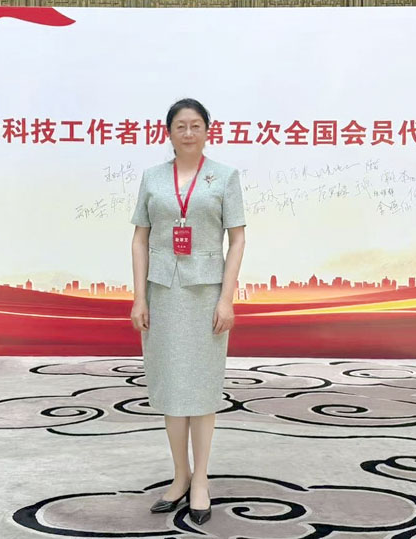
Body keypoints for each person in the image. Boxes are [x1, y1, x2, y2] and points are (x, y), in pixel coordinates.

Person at [129, 98, 246, 525]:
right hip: (162, 293)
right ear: (169, 132)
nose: (189, 132)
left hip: (206, 294)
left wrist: (226, 298)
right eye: (181, 126)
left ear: (207, 130)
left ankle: (201, 480)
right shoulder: (153, 178)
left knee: (201, 387)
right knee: (172, 387)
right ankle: (180, 476)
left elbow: (237, 239)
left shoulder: (225, 177)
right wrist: (139, 297)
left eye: (196, 125)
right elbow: (140, 239)